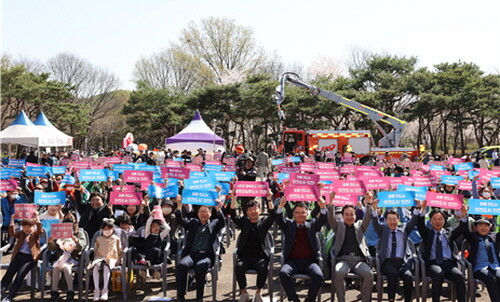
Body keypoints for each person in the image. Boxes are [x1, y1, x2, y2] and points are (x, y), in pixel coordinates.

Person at [276, 193, 327, 302]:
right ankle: (294, 300)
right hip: (292, 262)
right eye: (297, 213)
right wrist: (281, 205)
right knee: (283, 273)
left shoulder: (312, 224)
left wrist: (322, 207)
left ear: (307, 213)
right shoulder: (289, 225)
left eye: (303, 212)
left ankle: (309, 300)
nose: (300, 215)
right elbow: (279, 219)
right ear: (293, 214)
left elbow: (322, 220)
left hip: (310, 262)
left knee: (319, 275)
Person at [175, 197, 226, 302]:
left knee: (200, 266)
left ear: (210, 214)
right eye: (201, 212)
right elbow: (180, 220)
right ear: (198, 213)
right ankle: (180, 296)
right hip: (192, 255)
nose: (203, 214)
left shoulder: (214, 224)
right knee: (182, 265)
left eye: (206, 212)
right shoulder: (193, 223)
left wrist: (218, 209)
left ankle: (199, 297)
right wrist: (179, 205)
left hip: (206, 256)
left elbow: (222, 223)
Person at [229, 191, 275, 302]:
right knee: (238, 267)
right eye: (250, 210)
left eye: (255, 209)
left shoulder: (264, 222)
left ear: (260, 210)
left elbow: (273, 214)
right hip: (246, 257)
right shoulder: (244, 222)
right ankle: (244, 293)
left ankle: (258, 293)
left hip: (260, 257)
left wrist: (269, 199)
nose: (253, 212)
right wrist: (234, 198)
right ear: (246, 212)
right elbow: (233, 215)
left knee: (263, 268)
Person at [328, 192, 373, 302]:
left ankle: (366, 300)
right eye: (346, 215)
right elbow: (331, 218)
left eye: (351, 214)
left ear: (355, 215)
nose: (349, 217)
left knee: (369, 274)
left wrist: (369, 203)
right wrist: (331, 202)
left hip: (359, 260)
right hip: (343, 260)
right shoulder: (338, 226)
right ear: (343, 216)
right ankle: (341, 300)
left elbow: (368, 216)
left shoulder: (360, 225)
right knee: (338, 272)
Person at [417, 202, 466, 302]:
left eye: (440, 219)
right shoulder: (427, 233)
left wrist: (464, 215)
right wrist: (422, 210)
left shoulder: (449, 232)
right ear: (430, 221)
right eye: (434, 219)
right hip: (433, 263)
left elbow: (462, 229)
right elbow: (420, 226)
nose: (437, 221)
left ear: (444, 220)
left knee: (459, 276)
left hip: (448, 264)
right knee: (438, 273)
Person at [371, 202, 418, 302]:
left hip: (402, 262)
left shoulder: (404, 229)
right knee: (392, 274)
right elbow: (375, 223)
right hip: (388, 262)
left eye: (394, 219)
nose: (392, 222)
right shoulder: (383, 230)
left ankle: (408, 299)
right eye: (389, 219)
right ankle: (391, 299)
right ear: (385, 221)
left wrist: (418, 208)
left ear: (398, 220)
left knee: (408, 276)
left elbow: (413, 221)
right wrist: (374, 209)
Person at [0, 213, 43, 302]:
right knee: (8, 275)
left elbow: (40, 230)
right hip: (18, 256)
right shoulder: (21, 234)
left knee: (19, 277)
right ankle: (1, 292)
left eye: (29, 227)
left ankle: (9, 297)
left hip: (29, 258)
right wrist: (12, 219)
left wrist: (37, 217)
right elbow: (12, 233)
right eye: (24, 227)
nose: (26, 229)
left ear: (33, 226)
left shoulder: (35, 235)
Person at [457, 216, 500, 302]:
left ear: (490, 227)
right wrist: (464, 217)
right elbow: (464, 230)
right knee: (490, 278)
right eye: (480, 225)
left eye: (486, 225)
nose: (483, 228)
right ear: (475, 228)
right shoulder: (473, 237)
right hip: (480, 268)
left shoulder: (494, 236)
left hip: (495, 267)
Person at [49, 213, 87, 302]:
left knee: (66, 267)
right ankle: (54, 292)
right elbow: (52, 248)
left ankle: (70, 291)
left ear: (75, 222)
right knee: (56, 268)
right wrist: (51, 241)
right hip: (61, 257)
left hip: (74, 258)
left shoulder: (79, 233)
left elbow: (82, 246)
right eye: (66, 220)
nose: (69, 222)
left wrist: (75, 239)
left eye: (71, 220)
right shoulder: (59, 232)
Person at [88, 219, 122, 301]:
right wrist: (94, 259)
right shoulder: (99, 239)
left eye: (109, 229)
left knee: (106, 267)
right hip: (99, 258)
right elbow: (95, 250)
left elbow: (120, 250)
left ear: (112, 229)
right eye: (105, 229)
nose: (107, 231)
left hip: (112, 259)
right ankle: (96, 290)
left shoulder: (116, 239)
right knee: (96, 267)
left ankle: (105, 290)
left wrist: (121, 259)